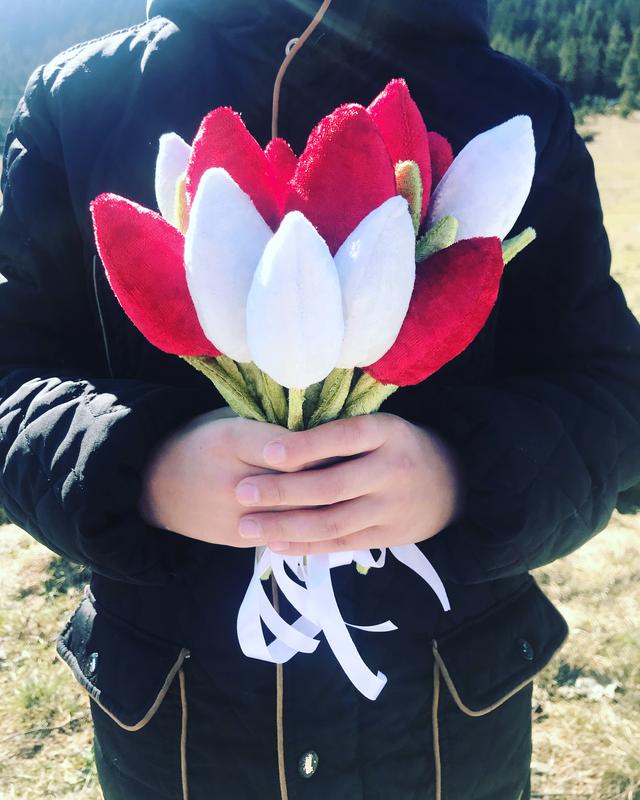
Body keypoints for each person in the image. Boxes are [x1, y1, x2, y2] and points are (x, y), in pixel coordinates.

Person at [1, 1, 639, 798]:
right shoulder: (81, 104)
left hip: (444, 733)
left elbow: (613, 397)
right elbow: (12, 379)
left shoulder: (512, 109)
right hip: (176, 732)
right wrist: (141, 468)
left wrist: (461, 473)